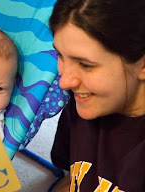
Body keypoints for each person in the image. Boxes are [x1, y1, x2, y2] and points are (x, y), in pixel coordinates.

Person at [49, 0, 145, 191]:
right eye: (60, 55)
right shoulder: (84, 101)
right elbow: (74, 180)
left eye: (86, 65)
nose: (64, 82)